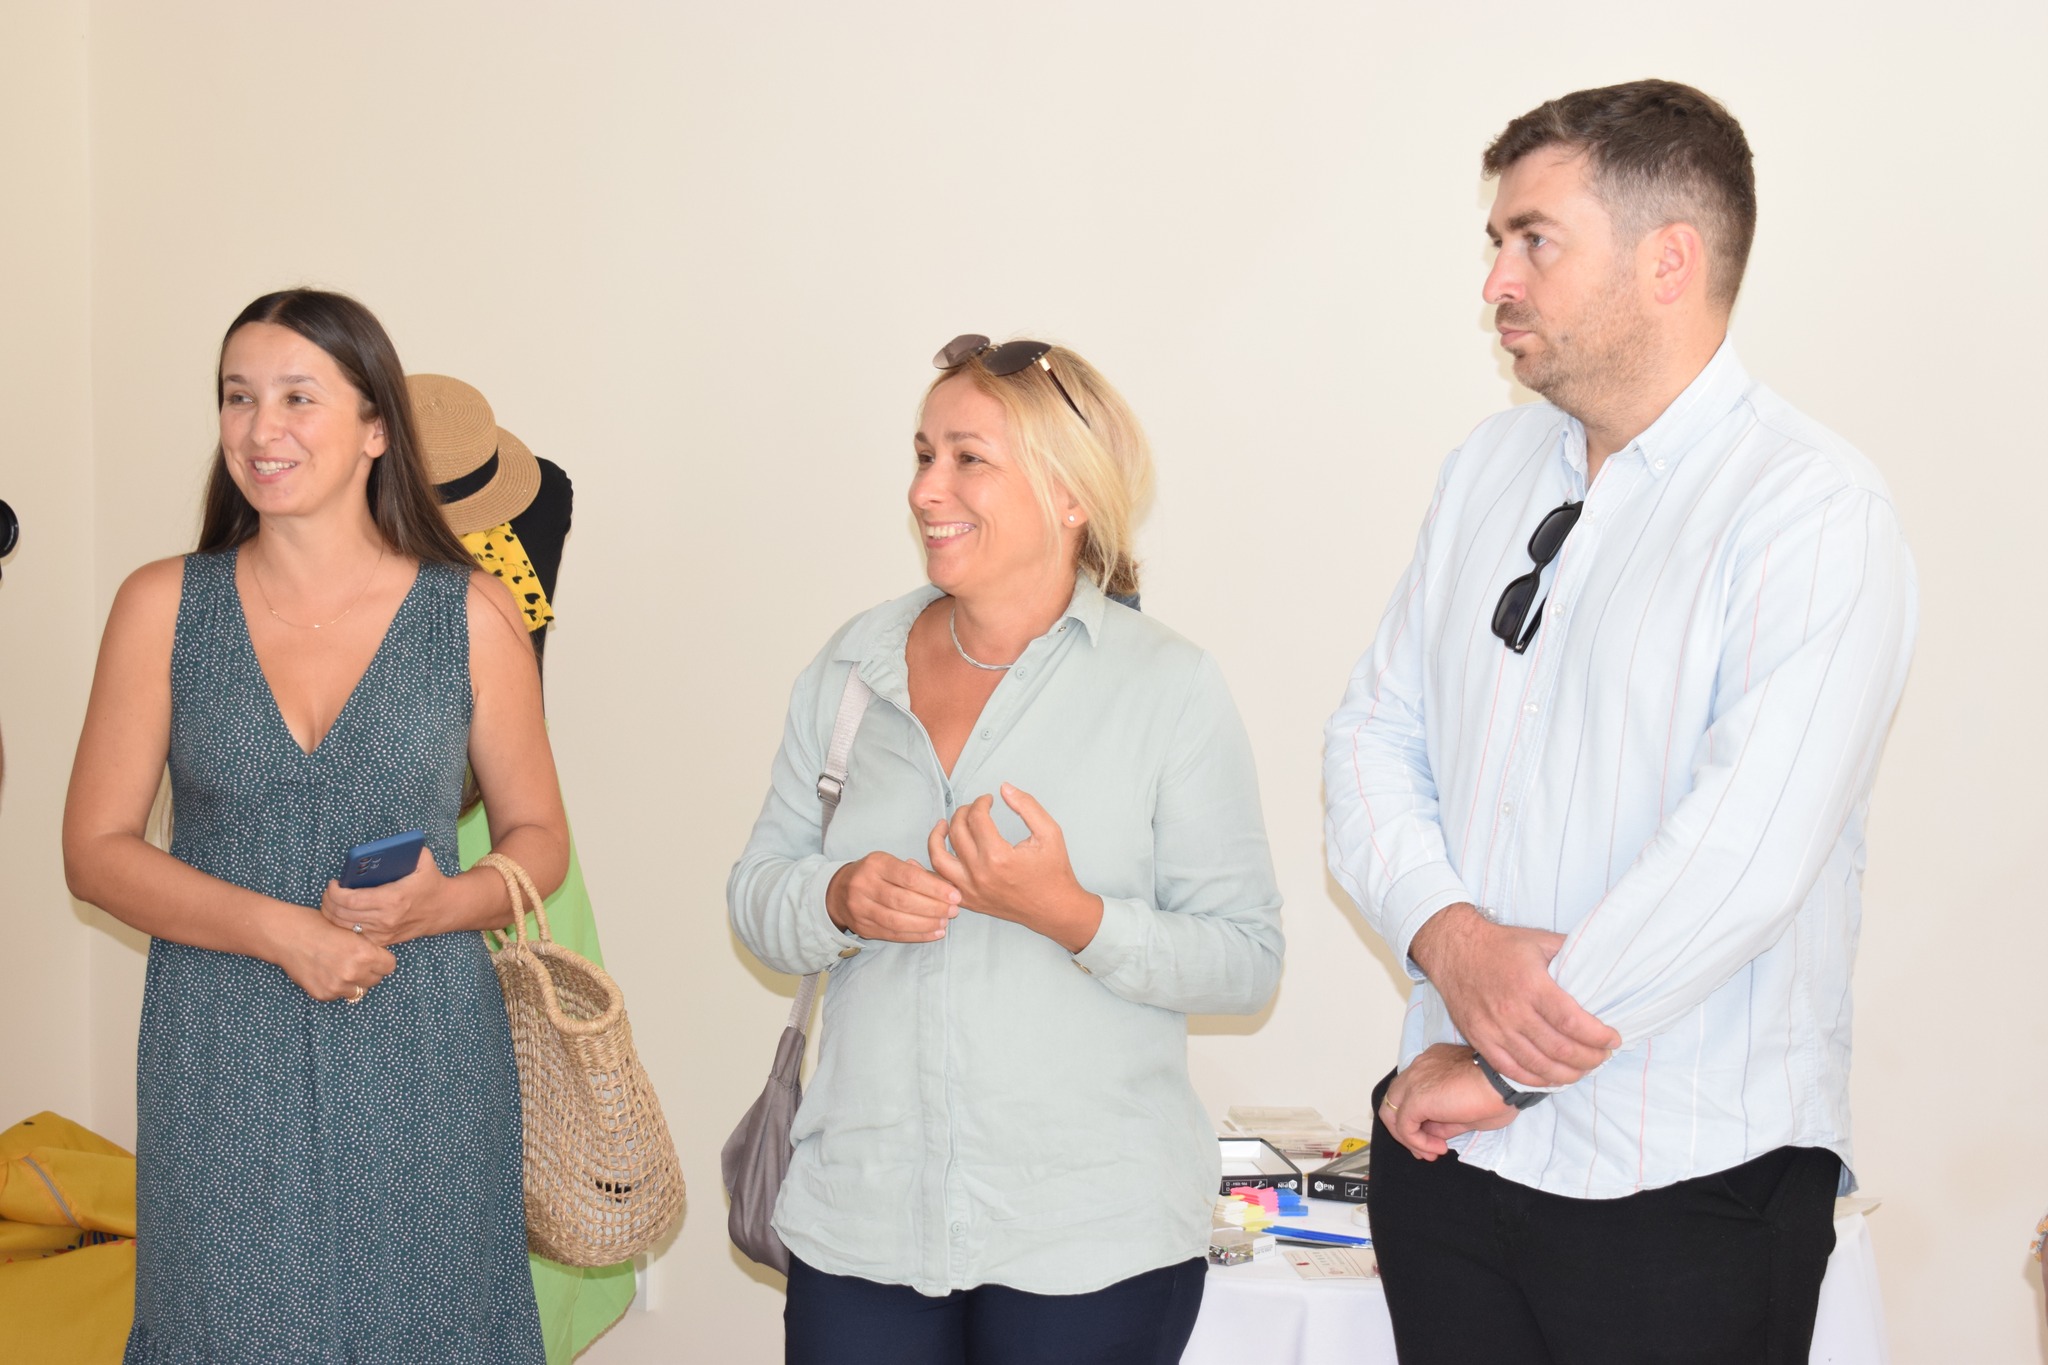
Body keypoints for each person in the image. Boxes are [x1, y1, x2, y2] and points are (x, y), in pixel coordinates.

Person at [1323, 81, 1917, 1364]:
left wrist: (1507, 1063)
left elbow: (1740, 852)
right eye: (1496, 242)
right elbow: (1370, 737)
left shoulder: (1810, 510)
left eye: (1532, 240)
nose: (1496, 282)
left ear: (1667, 262)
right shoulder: (1483, 471)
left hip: (1684, 1182)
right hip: (1448, 1166)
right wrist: (1449, 936)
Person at [730, 333, 1283, 1365]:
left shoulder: (1167, 688)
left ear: (1071, 495)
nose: (925, 489)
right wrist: (839, 899)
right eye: (921, 454)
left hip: (1090, 1239)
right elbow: (757, 895)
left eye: (967, 458)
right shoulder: (849, 668)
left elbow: (1246, 960)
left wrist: (1069, 914)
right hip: (862, 1225)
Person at [63, 289, 565, 1363]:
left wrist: (444, 902)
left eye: (298, 397)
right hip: (220, 1044)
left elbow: (538, 837)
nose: (260, 429)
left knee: (431, 1330)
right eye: (237, 397)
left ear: (376, 427)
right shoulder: (160, 604)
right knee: (229, 1326)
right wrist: (284, 932)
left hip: (424, 1039)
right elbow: (95, 853)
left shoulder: (471, 611)